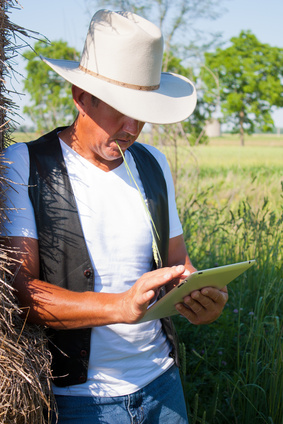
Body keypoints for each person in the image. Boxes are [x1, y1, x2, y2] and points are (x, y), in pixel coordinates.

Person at [2, 9, 228, 424]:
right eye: (117, 109)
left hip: (163, 385)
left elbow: (179, 263)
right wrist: (118, 306)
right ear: (79, 96)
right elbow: (20, 293)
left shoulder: (153, 164)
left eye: (141, 111)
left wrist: (201, 297)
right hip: (79, 401)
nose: (131, 127)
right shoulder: (24, 165)